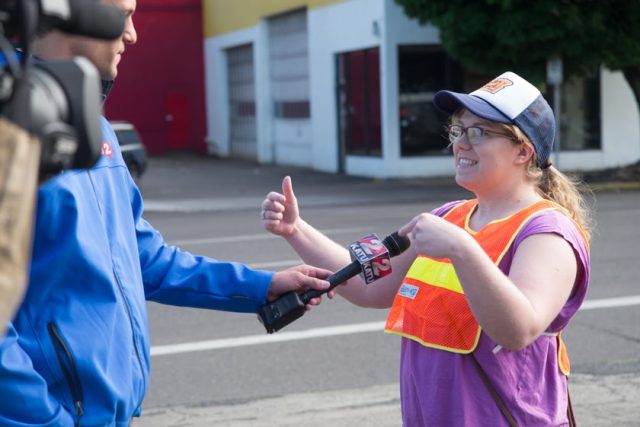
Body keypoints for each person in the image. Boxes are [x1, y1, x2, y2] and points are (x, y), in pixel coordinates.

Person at [0, 0, 332, 425]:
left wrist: (259, 287)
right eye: (123, 16)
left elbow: (143, 258)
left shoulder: (92, 124)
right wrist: (48, 421)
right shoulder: (12, 121)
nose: (134, 34)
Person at [261, 71, 591, 426]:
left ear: (523, 151)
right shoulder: (449, 217)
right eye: (457, 130)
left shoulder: (547, 231)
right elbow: (370, 287)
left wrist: (462, 250)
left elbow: (518, 330)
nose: (460, 144)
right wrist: (295, 230)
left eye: (478, 132)